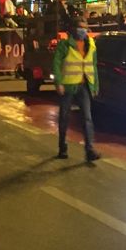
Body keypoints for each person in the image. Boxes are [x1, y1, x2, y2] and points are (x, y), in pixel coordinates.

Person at [51, 18, 100, 162]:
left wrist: (95, 85)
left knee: (87, 118)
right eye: (80, 27)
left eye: (85, 27)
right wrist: (58, 83)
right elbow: (56, 64)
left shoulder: (91, 44)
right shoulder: (64, 45)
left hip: (85, 86)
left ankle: (90, 150)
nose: (83, 30)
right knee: (64, 118)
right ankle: (62, 148)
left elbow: (94, 65)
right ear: (73, 29)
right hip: (68, 86)